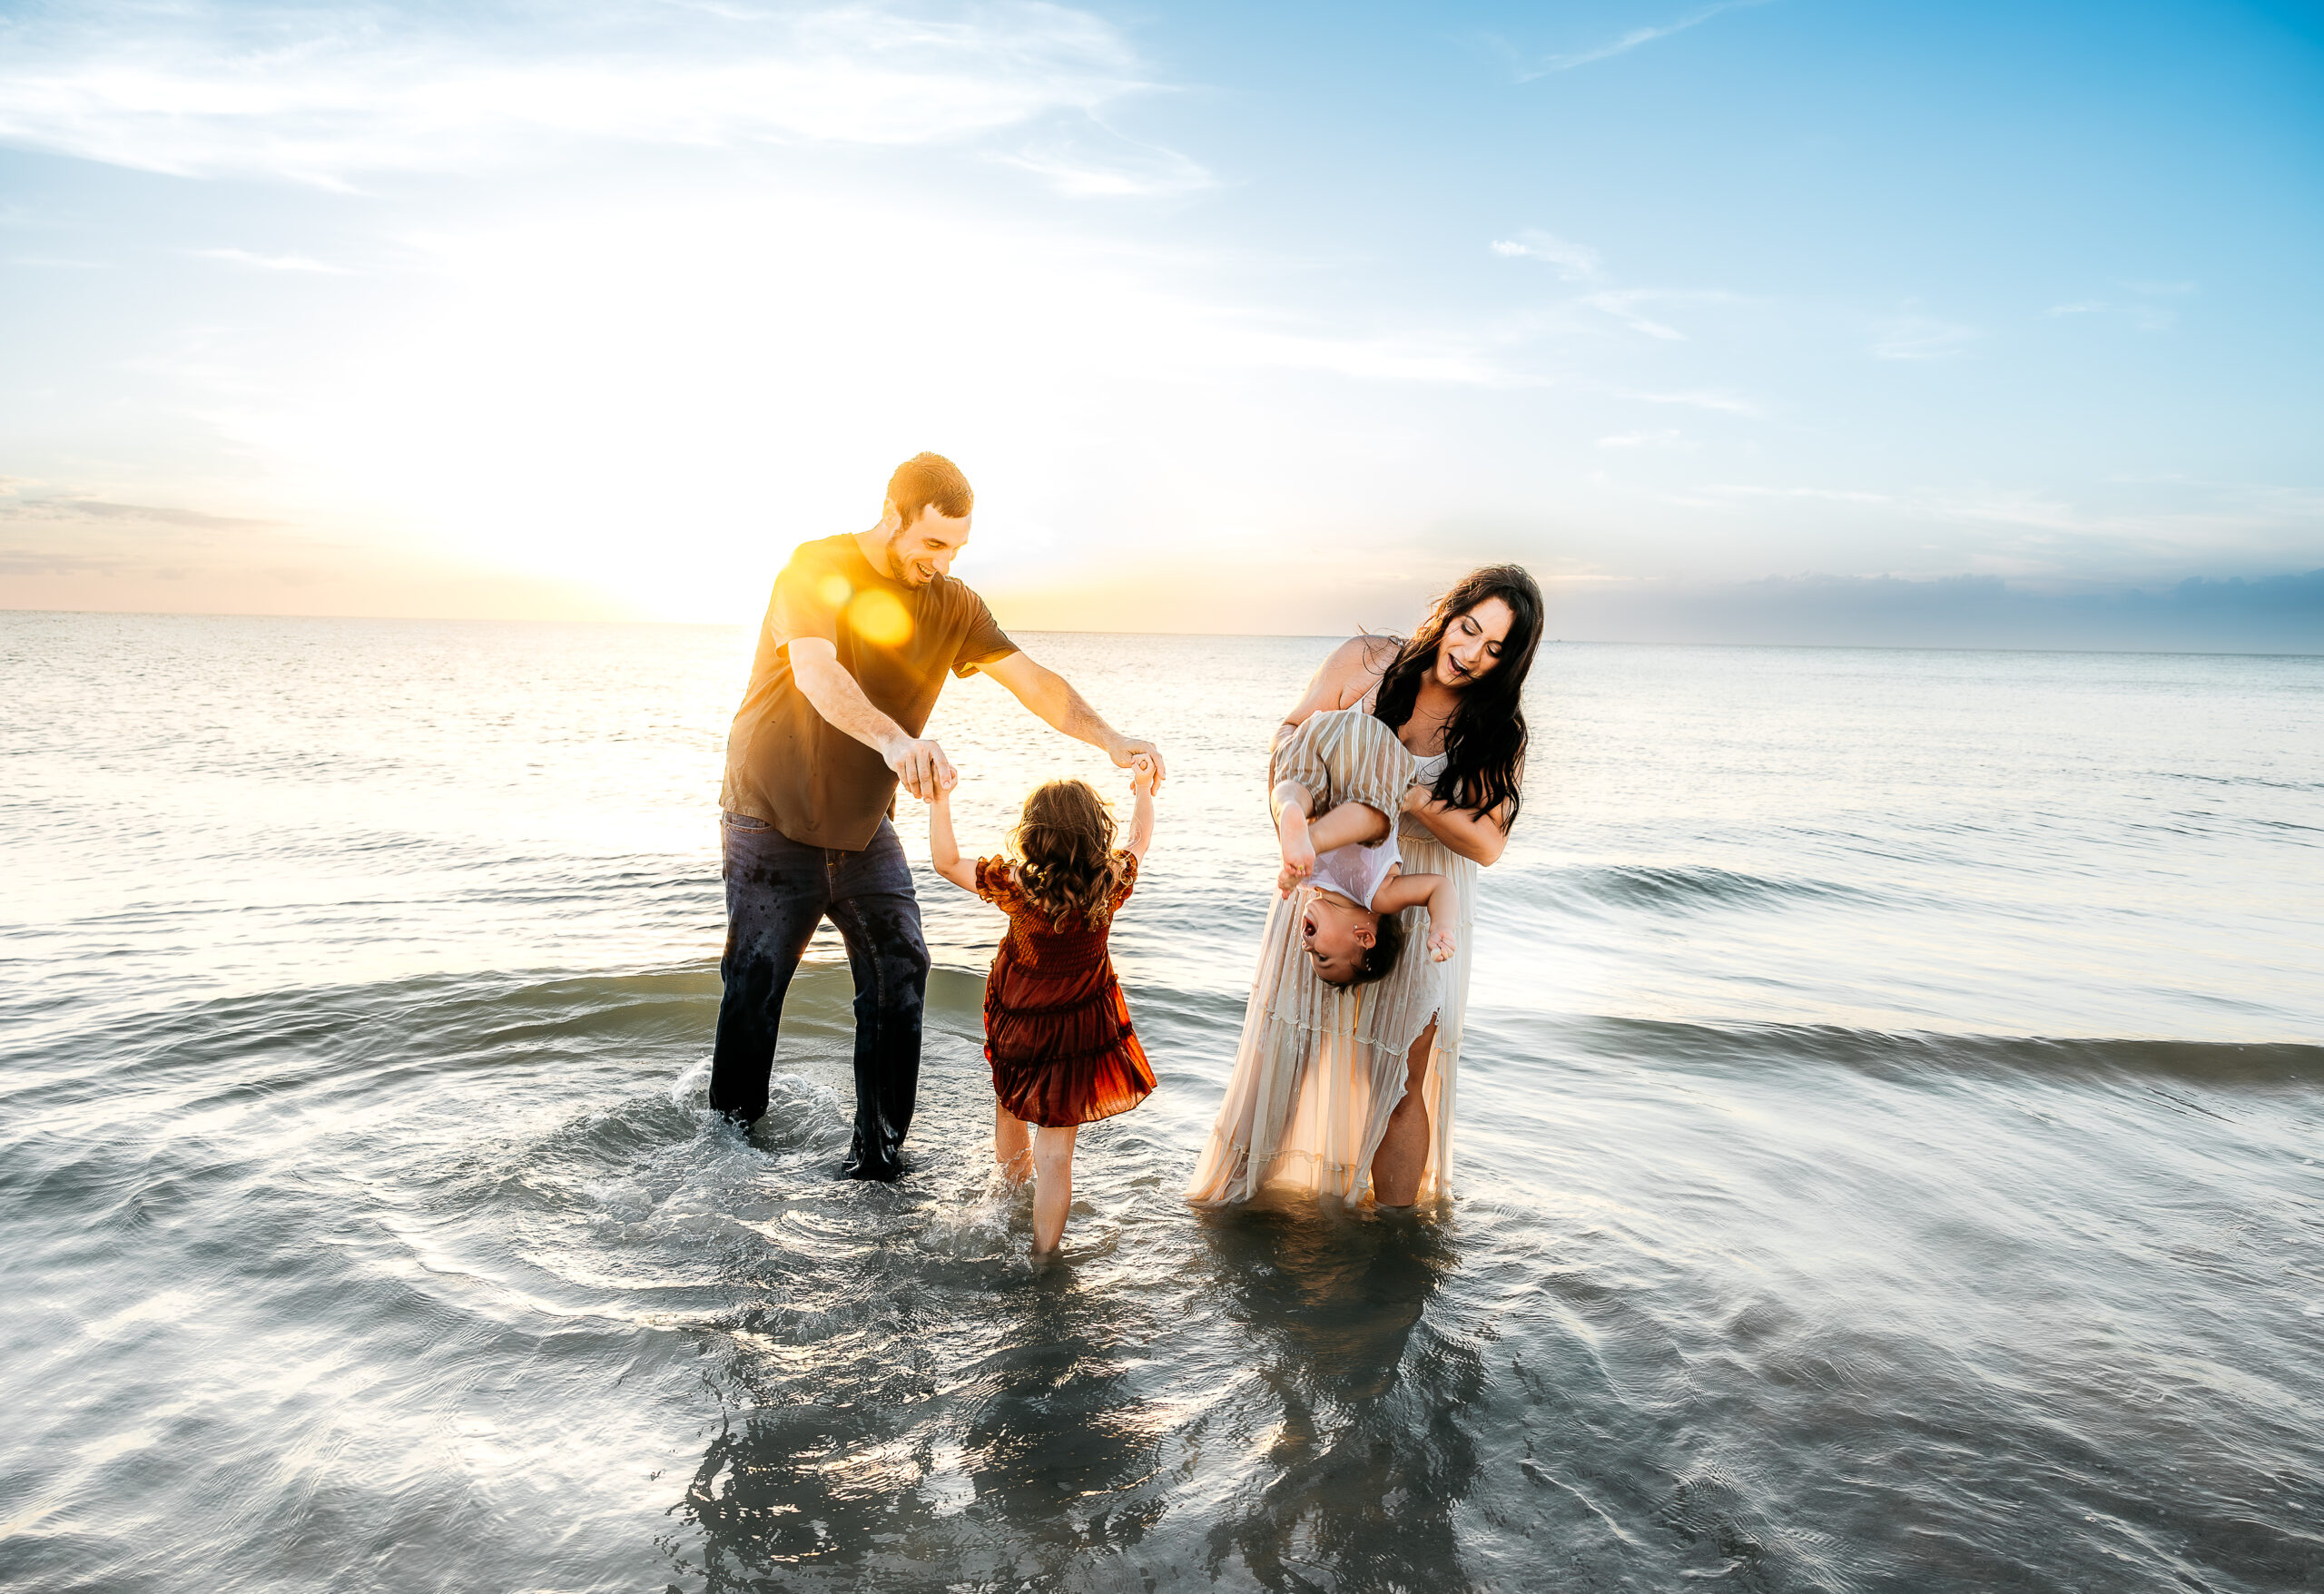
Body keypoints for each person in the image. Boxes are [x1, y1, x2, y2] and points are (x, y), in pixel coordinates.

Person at [711, 452, 1164, 1179]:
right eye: (932, 544)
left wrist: (1110, 737)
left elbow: (1033, 682)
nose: (943, 561)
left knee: (901, 966)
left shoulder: (954, 603)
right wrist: (895, 739)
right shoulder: (815, 568)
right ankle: (729, 1146)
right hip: (770, 815)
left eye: (956, 547)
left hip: (862, 827)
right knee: (756, 982)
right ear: (893, 516)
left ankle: (879, 1158)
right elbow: (816, 671)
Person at [1187, 566, 1541, 1210]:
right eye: (1467, 630)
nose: (1470, 655)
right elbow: (1289, 737)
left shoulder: (1494, 728)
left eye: (1495, 650)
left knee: (1403, 1075)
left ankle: (1399, 1239)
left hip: (1414, 898)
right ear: (1448, 613)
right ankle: (1235, 1209)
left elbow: (1489, 844)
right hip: (1321, 885)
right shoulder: (1366, 661)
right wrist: (1292, 816)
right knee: (1284, 1047)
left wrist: (1410, 797)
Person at [926, 760, 1159, 1257]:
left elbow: (946, 863)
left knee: (1011, 1105)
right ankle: (1043, 1258)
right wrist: (1143, 788)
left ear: (1032, 835)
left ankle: (1008, 1201)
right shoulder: (1111, 881)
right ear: (1097, 831)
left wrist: (941, 798)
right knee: (1057, 1155)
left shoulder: (1017, 885)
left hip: (1020, 1022)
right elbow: (1141, 837)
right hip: (1077, 1032)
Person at [1269, 706, 1459, 987]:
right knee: (1376, 821)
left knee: (1294, 786)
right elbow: (1440, 887)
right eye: (1322, 956)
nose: (1306, 946)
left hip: (1321, 746)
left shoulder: (1308, 879)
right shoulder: (1377, 895)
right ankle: (1305, 827)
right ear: (1364, 937)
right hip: (1374, 759)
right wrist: (1442, 926)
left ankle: (1289, 806)